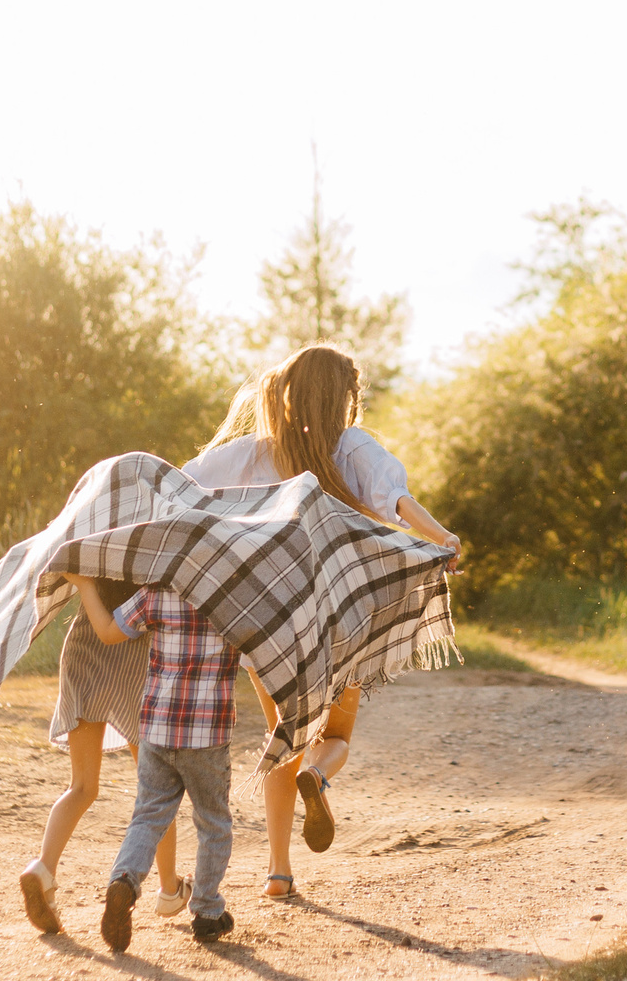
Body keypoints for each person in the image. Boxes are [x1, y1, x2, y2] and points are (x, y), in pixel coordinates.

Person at [182, 344, 461, 900]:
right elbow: (396, 499)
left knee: (281, 732)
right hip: (341, 614)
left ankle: (279, 874)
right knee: (333, 735)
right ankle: (320, 773)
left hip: (270, 619)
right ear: (345, 397)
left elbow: (183, 484)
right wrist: (444, 539)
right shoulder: (352, 446)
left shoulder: (253, 452)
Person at [66, 570, 242, 951]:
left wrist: (84, 587)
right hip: (207, 736)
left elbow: (108, 632)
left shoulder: (156, 594)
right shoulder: (234, 598)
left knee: (148, 816)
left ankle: (124, 882)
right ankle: (208, 913)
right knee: (213, 823)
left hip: (157, 730)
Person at [17, 593, 186, 937]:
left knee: (81, 786)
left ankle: (42, 868)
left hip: (84, 652)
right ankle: (170, 889)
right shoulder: (150, 551)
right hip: (137, 663)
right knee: (155, 791)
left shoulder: (95, 547)